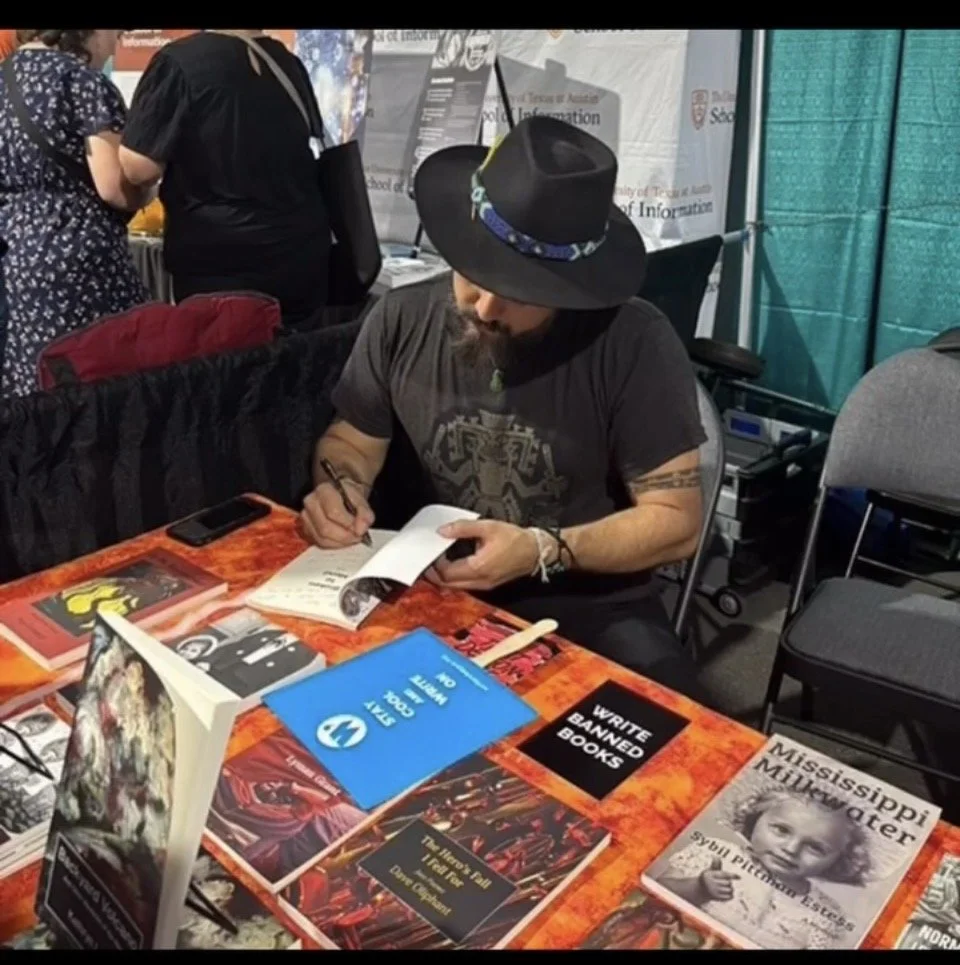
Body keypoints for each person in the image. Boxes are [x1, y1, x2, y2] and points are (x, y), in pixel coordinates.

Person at [300, 114, 711, 702]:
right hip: (425, 584)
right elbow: (350, 444)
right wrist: (338, 490)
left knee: (672, 752)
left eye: (521, 292)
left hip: (585, 600)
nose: (486, 307)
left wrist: (543, 550)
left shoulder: (633, 341)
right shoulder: (399, 317)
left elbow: (676, 522)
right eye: (476, 271)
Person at [118, 29, 332, 329]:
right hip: (301, 256)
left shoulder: (179, 62)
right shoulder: (287, 63)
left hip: (222, 264)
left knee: (226, 367)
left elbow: (138, 168)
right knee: (297, 365)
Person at [0, 30, 149, 397]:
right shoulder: (80, 82)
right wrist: (149, 185)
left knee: (31, 395)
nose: (116, 45)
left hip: (13, 261)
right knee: (94, 394)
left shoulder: (4, 78)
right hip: (79, 264)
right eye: (114, 33)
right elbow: (114, 188)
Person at [654, 788, 872, 948]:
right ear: (755, 818)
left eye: (815, 847)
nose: (791, 849)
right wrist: (699, 887)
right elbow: (652, 896)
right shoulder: (715, 854)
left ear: (840, 860)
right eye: (782, 830)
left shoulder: (824, 914)